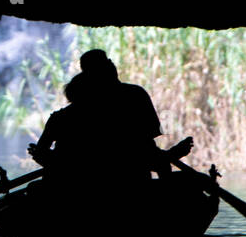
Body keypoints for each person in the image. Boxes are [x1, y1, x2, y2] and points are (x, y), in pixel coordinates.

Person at [27, 50, 192, 194]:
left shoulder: (61, 117)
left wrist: (49, 158)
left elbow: (137, 148)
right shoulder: (133, 96)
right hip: (132, 182)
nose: (111, 64)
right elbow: (140, 149)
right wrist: (170, 155)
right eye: (105, 63)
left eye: (108, 61)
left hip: (72, 188)